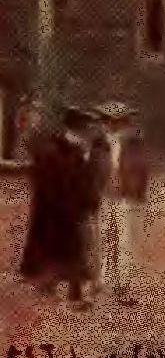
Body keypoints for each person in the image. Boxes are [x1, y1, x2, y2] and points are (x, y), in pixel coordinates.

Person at [93, 104, 149, 306]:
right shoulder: (100, 144)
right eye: (106, 120)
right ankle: (104, 280)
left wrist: (135, 193)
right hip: (105, 195)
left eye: (113, 120)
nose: (108, 124)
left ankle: (122, 284)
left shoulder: (135, 143)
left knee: (124, 241)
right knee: (105, 238)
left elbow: (142, 170)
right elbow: (94, 169)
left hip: (125, 197)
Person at [50, 107, 102, 308]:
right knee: (75, 249)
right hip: (71, 206)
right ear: (77, 126)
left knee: (78, 249)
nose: (88, 128)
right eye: (85, 125)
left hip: (74, 205)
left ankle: (73, 291)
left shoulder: (76, 147)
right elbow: (73, 180)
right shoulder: (68, 149)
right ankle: (73, 295)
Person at [19, 99, 61, 292]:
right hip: (42, 186)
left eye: (34, 116)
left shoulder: (43, 136)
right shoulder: (31, 135)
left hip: (50, 187)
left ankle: (45, 273)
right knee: (38, 227)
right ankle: (34, 269)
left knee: (46, 229)